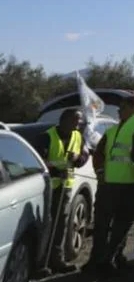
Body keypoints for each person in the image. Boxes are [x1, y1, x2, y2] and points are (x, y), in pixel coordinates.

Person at [85, 92, 134, 275]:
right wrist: (100, 173)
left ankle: (110, 259)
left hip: (127, 184)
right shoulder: (113, 130)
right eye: (119, 108)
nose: (119, 111)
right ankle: (100, 261)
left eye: (123, 108)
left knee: (119, 225)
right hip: (112, 184)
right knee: (106, 225)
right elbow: (99, 153)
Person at [30, 109, 89, 272]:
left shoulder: (78, 136)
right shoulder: (46, 137)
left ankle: (56, 260)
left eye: (79, 122)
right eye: (74, 121)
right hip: (45, 187)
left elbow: (84, 156)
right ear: (63, 120)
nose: (77, 125)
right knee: (45, 224)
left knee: (60, 224)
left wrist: (77, 159)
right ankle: (39, 263)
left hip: (65, 187)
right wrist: (56, 171)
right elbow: (38, 162)